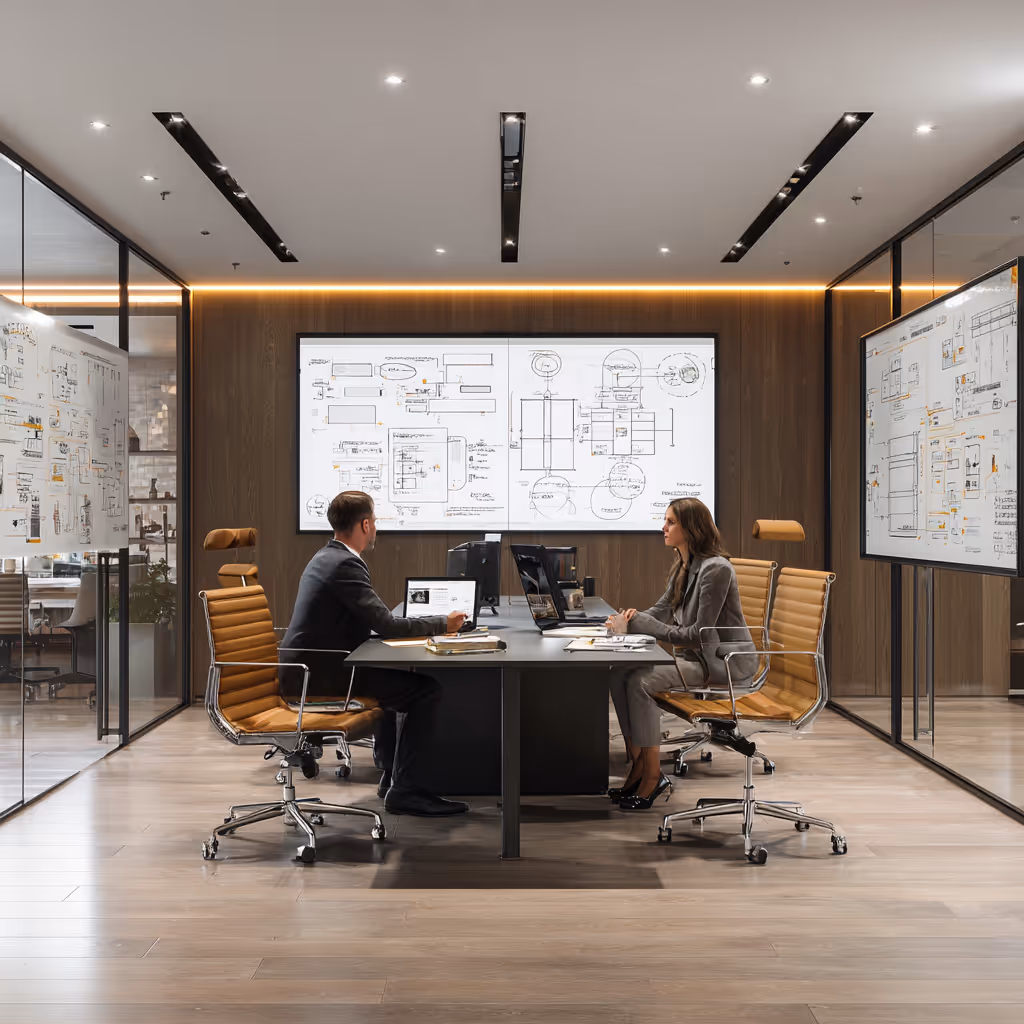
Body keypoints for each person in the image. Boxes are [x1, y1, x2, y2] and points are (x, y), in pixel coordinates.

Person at [280, 490, 469, 817]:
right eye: (376, 521)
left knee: (397, 684)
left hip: (310, 668)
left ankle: (392, 777)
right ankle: (407, 791)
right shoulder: (345, 564)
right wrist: (444, 624)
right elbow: (386, 624)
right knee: (424, 691)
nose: (376, 527)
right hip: (321, 677)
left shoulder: (325, 556)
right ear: (365, 524)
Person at [606, 497, 755, 810]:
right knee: (618, 672)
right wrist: (629, 620)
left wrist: (646, 625)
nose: (664, 527)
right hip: (696, 659)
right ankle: (638, 767)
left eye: (671, 521)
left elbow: (700, 636)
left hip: (721, 663)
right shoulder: (684, 565)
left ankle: (652, 775)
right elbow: (661, 610)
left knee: (639, 681)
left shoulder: (716, 570)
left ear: (692, 528)